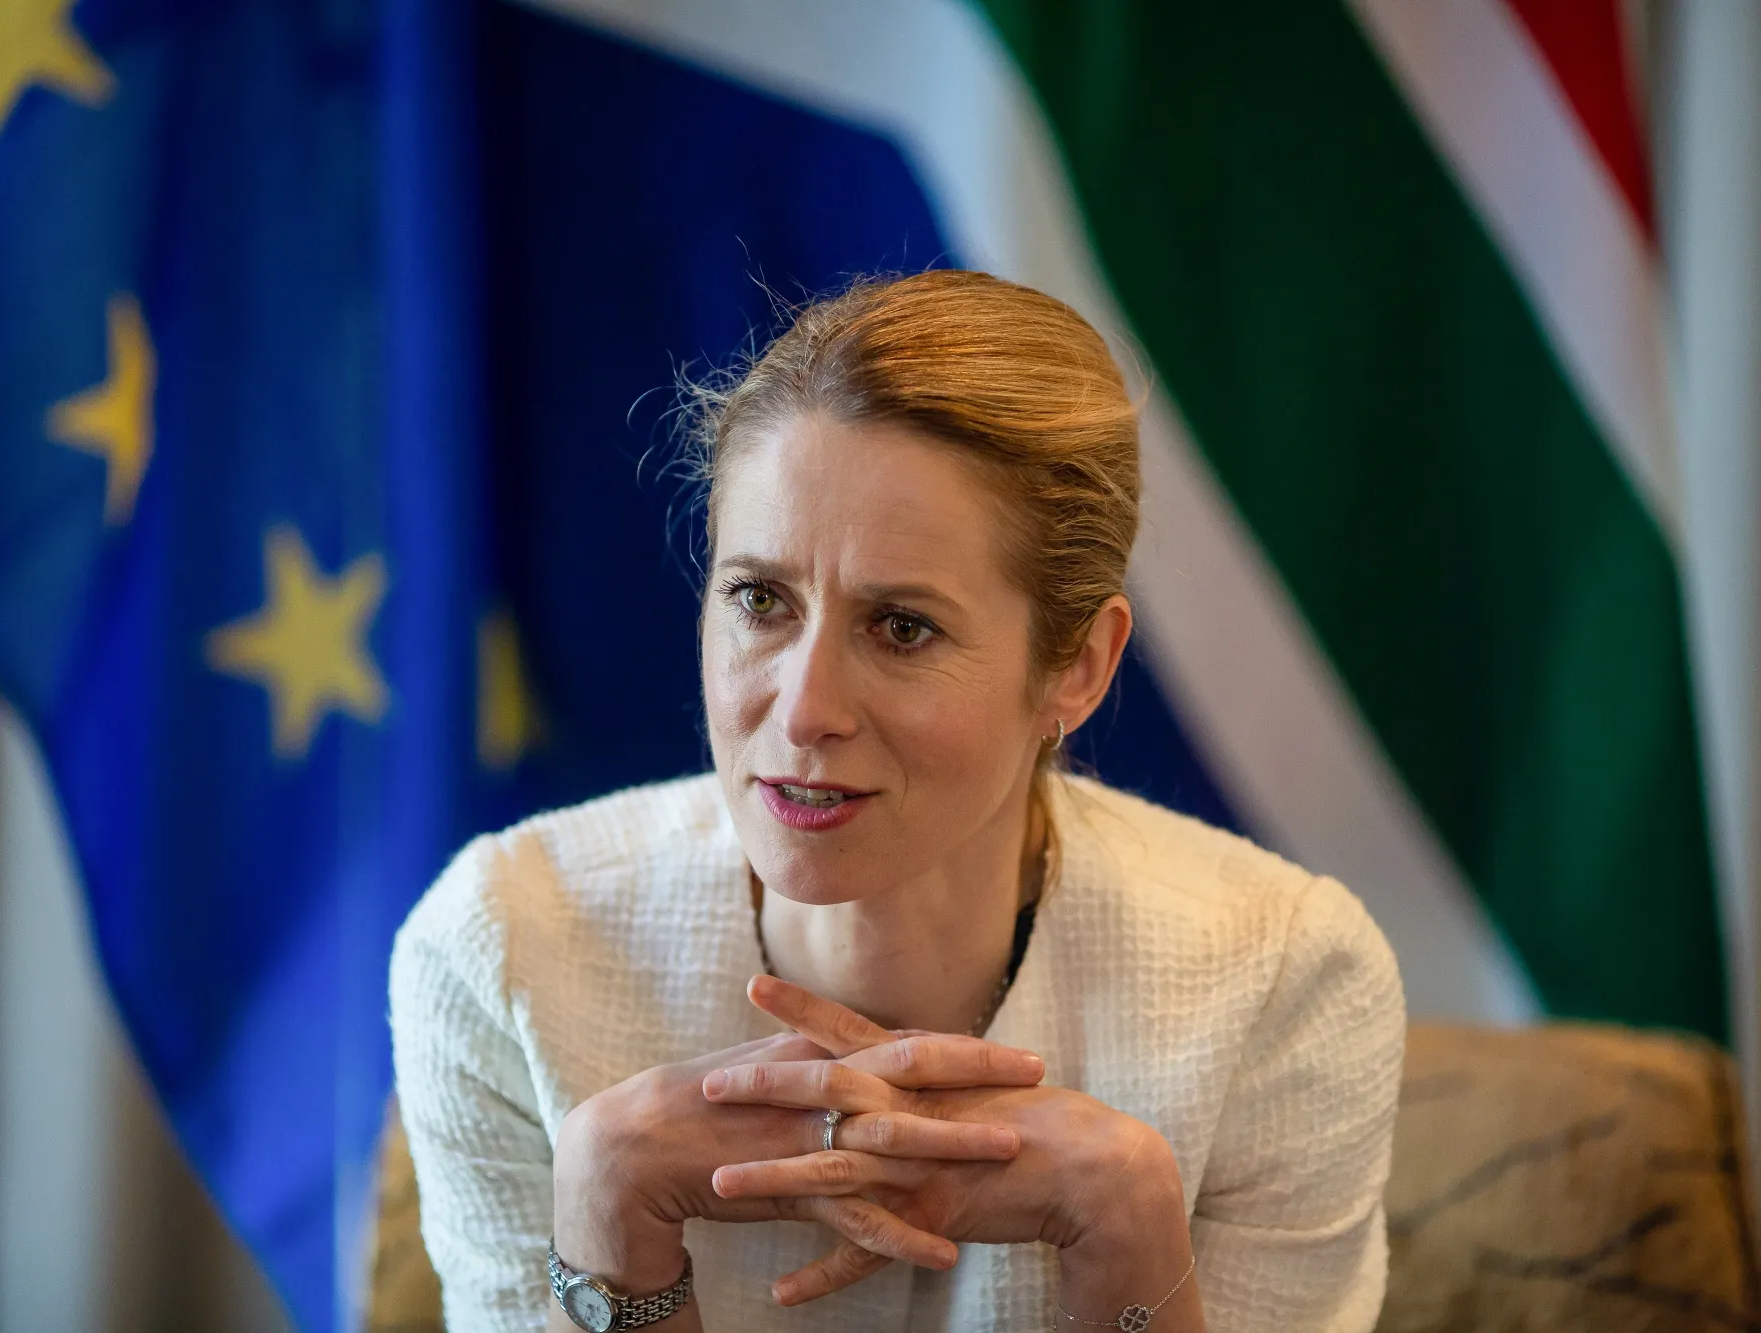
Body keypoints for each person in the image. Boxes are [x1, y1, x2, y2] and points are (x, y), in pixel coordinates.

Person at [390, 270, 1406, 1332]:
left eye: (903, 627)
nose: (804, 711)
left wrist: (1129, 1226)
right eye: (760, 599)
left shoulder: (1284, 981)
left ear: (1077, 667)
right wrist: (607, 1206)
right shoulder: (504, 949)